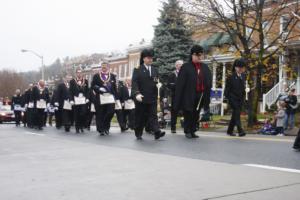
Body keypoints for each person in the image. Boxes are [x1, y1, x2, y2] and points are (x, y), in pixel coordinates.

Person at [174, 45, 212, 139]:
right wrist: (179, 98)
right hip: (189, 95)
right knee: (188, 113)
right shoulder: (186, 67)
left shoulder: (205, 67)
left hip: (200, 95)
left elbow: (208, 81)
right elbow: (180, 84)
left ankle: (193, 130)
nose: (199, 57)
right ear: (192, 55)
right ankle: (187, 130)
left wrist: (206, 92)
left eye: (200, 55)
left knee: (196, 113)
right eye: (197, 55)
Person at [131, 48, 165, 140]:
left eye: (151, 58)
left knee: (153, 115)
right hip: (141, 98)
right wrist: (136, 94)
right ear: (144, 59)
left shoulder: (154, 70)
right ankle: (138, 132)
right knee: (140, 116)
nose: (150, 60)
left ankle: (157, 132)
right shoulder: (138, 69)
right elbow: (135, 82)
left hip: (152, 97)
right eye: (148, 58)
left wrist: (159, 85)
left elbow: (157, 81)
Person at [91, 62, 117, 136]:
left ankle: (106, 126)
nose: (104, 68)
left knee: (110, 112)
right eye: (102, 67)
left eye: (105, 67)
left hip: (110, 97)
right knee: (100, 114)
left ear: (108, 67)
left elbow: (114, 87)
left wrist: (116, 97)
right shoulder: (96, 76)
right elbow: (93, 86)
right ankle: (102, 129)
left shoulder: (112, 76)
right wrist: (99, 88)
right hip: (100, 97)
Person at [224, 58, 247, 137]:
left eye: (242, 68)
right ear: (235, 67)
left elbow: (243, 87)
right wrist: (229, 99)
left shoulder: (243, 76)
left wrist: (245, 94)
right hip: (233, 98)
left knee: (235, 115)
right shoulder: (231, 77)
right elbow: (226, 90)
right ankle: (240, 130)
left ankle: (229, 131)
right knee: (237, 114)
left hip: (240, 99)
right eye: (239, 67)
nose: (241, 69)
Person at [69, 68, 90, 133]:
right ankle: (77, 127)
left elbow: (87, 91)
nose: (79, 74)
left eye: (80, 72)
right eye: (78, 72)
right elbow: (70, 91)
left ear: (82, 73)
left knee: (83, 113)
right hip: (76, 99)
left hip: (83, 99)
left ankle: (81, 126)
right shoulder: (72, 81)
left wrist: (87, 98)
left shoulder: (85, 81)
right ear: (76, 73)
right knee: (76, 114)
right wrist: (71, 100)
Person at [168, 60, 183, 133]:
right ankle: (173, 128)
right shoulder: (172, 74)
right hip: (175, 96)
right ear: (176, 66)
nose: (180, 66)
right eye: (179, 64)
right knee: (174, 112)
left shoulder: (184, 74)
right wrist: (177, 85)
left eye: (181, 64)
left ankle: (186, 127)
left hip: (183, 96)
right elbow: (169, 85)